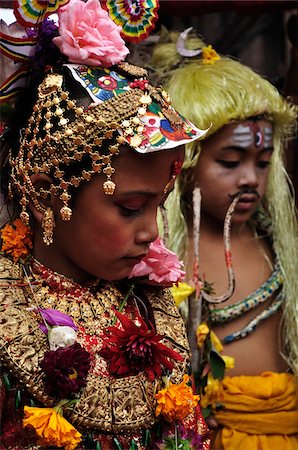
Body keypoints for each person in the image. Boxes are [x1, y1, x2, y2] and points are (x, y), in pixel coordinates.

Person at [0, 4, 211, 449]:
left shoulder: (151, 304)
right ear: (45, 196)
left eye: (159, 205)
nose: (153, 233)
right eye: (131, 207)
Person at [151, 30, 298, 450]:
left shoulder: (277, 245)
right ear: (186, 162)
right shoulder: (162, 254)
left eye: (263, 162)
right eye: (230, 162)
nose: (251, 178)